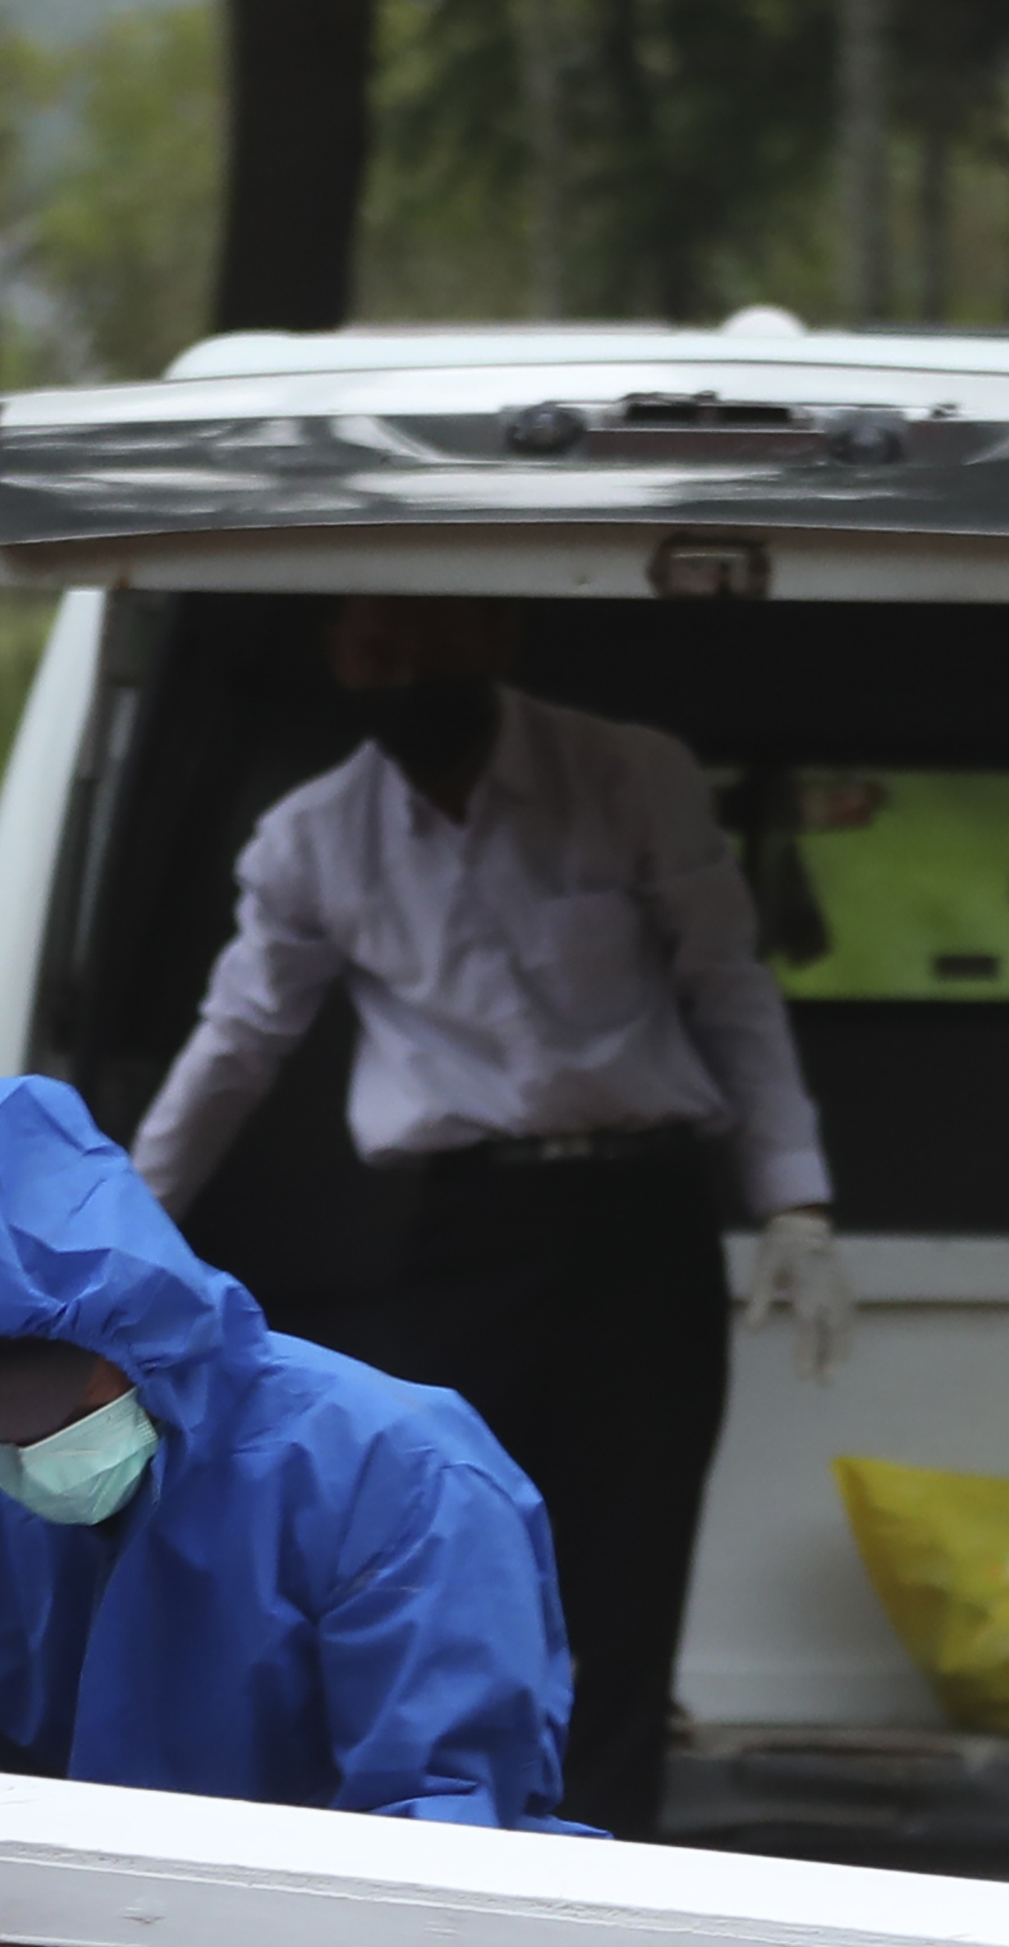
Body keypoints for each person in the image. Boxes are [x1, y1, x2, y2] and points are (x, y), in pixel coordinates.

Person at [122, 594, 847, 1842]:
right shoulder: (314, 838)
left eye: (429, 637)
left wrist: (794, 1199)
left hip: (640, 1217)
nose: (400, 670)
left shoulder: (624, 774)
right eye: (368, 646)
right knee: (447, 1542)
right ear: (334, 655)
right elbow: (236, 1045)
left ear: (498, 630)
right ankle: (464, 1844)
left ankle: (613, 1859)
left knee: (629, 1557)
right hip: (460, 1230)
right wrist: (123, 1228)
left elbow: (729, 983)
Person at [0, 1075, 578, 1822]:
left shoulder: (393, 1477)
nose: (21, 1446)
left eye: (55, 1407)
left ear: (137, 1334)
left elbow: (445, 1825)